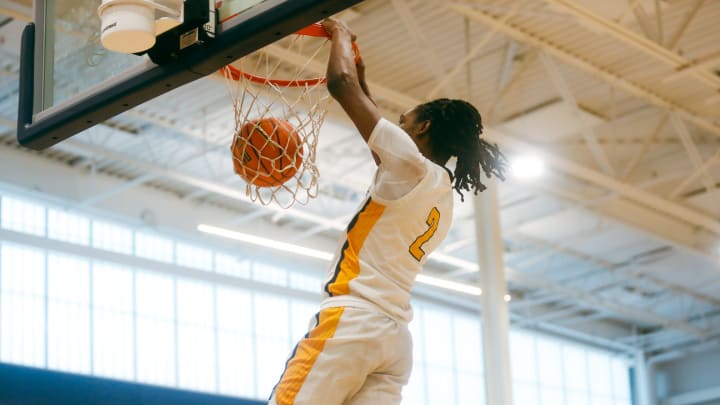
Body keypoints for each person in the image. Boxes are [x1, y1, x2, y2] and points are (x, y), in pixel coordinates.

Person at [268, 18, 507, 405]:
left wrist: (340, 35)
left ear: (423, 127)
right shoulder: (442, 194)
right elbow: (383, 140)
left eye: (403, 122)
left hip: (354, 322)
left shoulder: (408, 166)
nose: (395, 126)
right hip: (394, 341)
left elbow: (339, 85)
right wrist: (363, 77)